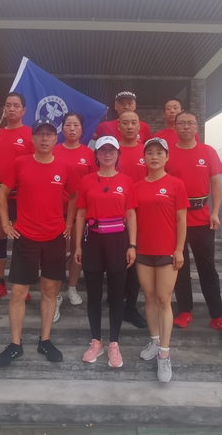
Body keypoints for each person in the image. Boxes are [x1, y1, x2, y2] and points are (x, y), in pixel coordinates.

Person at [0, 118, 78, 367]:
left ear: (55, 139)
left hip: (55, 237)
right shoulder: (20, 163)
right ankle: (15, 344)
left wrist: (69, 224)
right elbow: (2, 193)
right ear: (32, 138)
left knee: (50, 292)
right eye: (40, 133)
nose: (44, 138)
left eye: (49, 134)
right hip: (25, 236)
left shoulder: (65, 166)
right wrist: (6, 224)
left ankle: (45, 340)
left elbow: (75, 196)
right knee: (19, 293)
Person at [166, 111, 222, 337]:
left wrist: (215, 213)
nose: (186, 126)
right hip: (175, 220)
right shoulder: (168, 154)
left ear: (197, 127)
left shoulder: (207, 152)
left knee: (207, 268)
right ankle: (185, 311)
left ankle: (218, 316)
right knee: (180, 267)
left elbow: (216, 184)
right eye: (182, 123)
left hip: (201, 218)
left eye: (190, 123)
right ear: (175, 128)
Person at [73, 136, 137, 368]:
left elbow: (131, 214)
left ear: (118, 154)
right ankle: (96, 341)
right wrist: (78, 245)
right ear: (96, 155)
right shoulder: (87, 181)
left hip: (118, 240)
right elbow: (81, 214)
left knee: (117, 295)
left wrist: (132, 245)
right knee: (94, 295)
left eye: (112, 150)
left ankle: (114, 343)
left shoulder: (126, 181)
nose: (107, 154)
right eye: (103, 150)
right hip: (93, 240)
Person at [134, 137, 189, 383]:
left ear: (167, 157)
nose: (154, 157)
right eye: (149, 153)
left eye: (159, 152)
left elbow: (181, 220)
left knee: (164, 299)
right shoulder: (136, 187)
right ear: (144, 158)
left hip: (167, 252)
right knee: (149, 297)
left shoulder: (176, 184)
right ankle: (155, 341)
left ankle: (164, 354)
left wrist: (179, 249)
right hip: (143, 251)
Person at [0, 92, 34, 302]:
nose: (12, 109)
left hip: (20, 197)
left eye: (16, 105)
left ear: (24, 110)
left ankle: (21, 284)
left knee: (21, 242)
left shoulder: (30, 134)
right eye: (8, 105)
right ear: (4, 109)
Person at [53, 112, 97, 308]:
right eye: (68, 125)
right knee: (57, 252)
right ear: (62, 129)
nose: (72, 129)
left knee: (77, 250)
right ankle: (54, 291)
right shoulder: (54, 151)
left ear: (82, 129)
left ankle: (71, 287)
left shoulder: (89, 154)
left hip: (81, 212)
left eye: (76, 125)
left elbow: (94, 182)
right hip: (56, 211)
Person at [114, 111, 148, 329]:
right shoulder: (111, 150)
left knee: (135, 261)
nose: (129, 126)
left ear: (139, 126)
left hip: (142, 215)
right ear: (118, 126)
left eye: (133, 122)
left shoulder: (147, 150)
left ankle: (130, 306)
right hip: (115, 216)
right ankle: (117, 301)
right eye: (125, 123)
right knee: (117, 262)